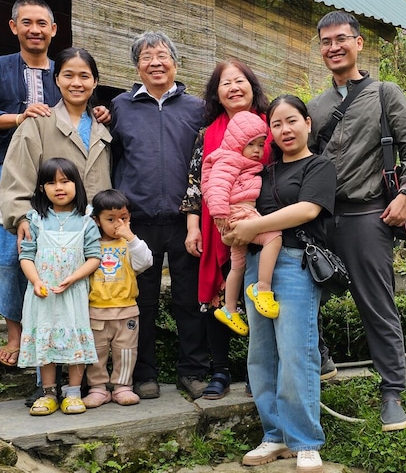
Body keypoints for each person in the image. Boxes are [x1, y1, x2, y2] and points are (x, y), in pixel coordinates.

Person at [307, 10, 406, 432]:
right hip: (320, 218)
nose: (334, 47)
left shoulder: (384, 94)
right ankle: (320, 359)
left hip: (367, 215)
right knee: (301, 294)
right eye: (326, 41)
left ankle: (392, 392)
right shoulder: (315, 107)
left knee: (377, 305)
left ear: (359, 43)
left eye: (341, 39)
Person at [223, 95, 335, 473]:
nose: (284, 130)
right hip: (256, 265)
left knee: (296, 351)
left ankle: (305, 440)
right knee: (262, 354)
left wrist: (254, 226)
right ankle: (274, 435)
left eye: (291, 121)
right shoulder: (262, 169)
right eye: (276, 124)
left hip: (294, 264)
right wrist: (232, 229)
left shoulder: (319, 166)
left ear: (307, 123)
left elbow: (307, 210)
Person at [109, 31, 208, 400]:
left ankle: (193, 371)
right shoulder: (120, 107)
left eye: (162, 55)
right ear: (137, 67)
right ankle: (143, 374)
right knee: (140, 301)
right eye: (146, 57)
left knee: (189, 299)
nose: (155, 62)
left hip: (187, 221)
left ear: (175, 63)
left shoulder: (197, 108)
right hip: (137, 222)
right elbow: (111, 156)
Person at [0, 0, 60, 369]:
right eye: (27, 22)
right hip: (7, 172)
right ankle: (16, 333)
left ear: (53, 30)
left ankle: (49, 333)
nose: (34, 30)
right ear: (14, 27)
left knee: (51, 256)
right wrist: (19, 118)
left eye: (41, 23)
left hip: (56, 180)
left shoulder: (63, 71)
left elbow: (82, 108)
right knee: (5, 255)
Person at [180, 58, 271, 400]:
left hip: (263, 219)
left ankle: (256, 371)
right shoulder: (208, 133)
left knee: (258, 293)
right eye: (225, 83)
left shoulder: (271, 124)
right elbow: (195, 182)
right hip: (217, 222)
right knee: (217, 292)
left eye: (239, 81)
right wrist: (194, 227)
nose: (234, 88)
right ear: (216, 93)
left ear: (252, 86)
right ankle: (219, 370)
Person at [0, 47, 113, 244]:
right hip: (51, 235)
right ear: (57, 79)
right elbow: (17, 176)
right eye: (68, 75)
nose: (76, 83)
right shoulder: (38, 123)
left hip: (100, 234)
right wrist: (21, 217)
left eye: (84, 76)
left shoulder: (104, 127)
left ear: (95, 82)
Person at [17, 157, 102, 416]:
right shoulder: (35, 219)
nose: (59, 187)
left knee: (74, 338)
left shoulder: (86, 220)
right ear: (42, 188)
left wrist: (74, 278)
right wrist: (36, 281)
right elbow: (26, 256)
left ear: (76, 184)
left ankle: (73, 393)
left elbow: (94, 257)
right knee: (47, 339)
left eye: (65, 181)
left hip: (73, 293)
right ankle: (49, 393)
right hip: (43, 294)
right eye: (51, 183)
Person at [201, 110, 282, 335]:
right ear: (237, 143)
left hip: (239, 213)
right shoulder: (229, 159)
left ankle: (229, 309)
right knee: (273, 236)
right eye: (251, 144)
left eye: (261, 145)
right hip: (238, 213)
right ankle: (262, 288)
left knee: (238, 265)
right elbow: (217, 185)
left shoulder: (239, 161)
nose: (257, 150)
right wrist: (219, 213)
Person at [82, 189, 154, 408]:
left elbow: (145, 262)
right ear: (97, 220)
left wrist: (130, 236)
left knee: (126, 350)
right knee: (96, 351)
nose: (118, 224)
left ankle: (123, 386)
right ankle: (98, 388)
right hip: (96, 310)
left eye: (123, 218)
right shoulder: (90, 245)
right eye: (110, 219)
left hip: (126, 309)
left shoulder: (129, 244)